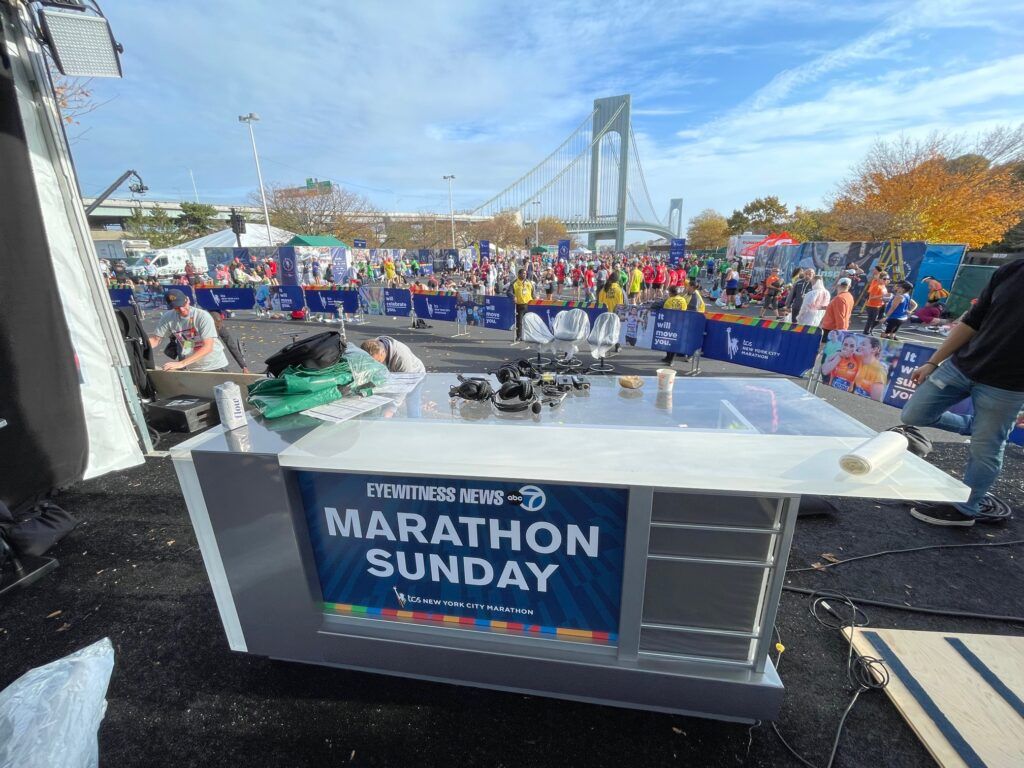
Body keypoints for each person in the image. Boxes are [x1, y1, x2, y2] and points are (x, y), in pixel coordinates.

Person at [900, 258, 1024, 527]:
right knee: (914, 414)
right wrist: (934, 361)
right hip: (961, 366)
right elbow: (972, 322)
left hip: (1007, 386)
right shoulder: (1012, 269)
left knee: (986, 451)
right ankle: (975, 427)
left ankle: (966, 509)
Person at [148, 289, 229, 372]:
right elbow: (155, 340)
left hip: (215, 366)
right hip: (192, 367)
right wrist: (139, 346)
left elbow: (208, 347)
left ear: (188, 300)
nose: (182, 310)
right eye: (177, 308)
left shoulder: (202, 316)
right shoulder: (167, 317)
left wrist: (181, 363)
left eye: (183, 305)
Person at [361, 336, 426, 374]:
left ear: (382, 352)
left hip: (415, 374)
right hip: (394, 372)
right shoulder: (375, 344)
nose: (376, 364)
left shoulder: (401, 357)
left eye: (378, 361)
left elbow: (406, 383)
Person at [512, 268, 534, 342]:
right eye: (523, 273)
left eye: (525, 273)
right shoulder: (514, 283)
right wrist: (513, 296)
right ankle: (519, 336)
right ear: (519, 274)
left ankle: (529, 336)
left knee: (529, 321)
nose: (525, 275)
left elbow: (533, 292)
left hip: (529, 304)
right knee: (520, 322)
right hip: (520, 305)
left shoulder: (529, 282)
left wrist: (535, 299)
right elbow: (508, 291)